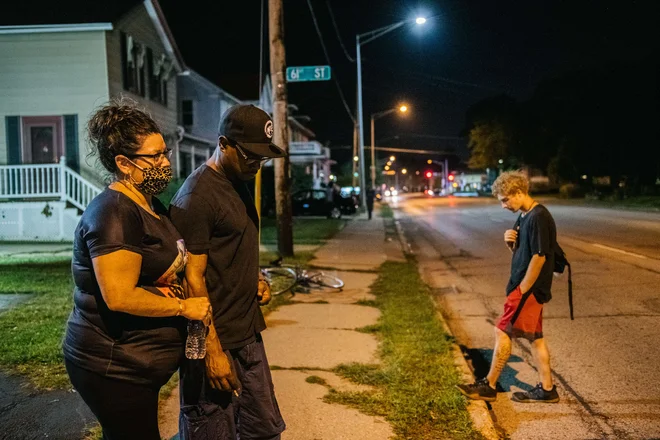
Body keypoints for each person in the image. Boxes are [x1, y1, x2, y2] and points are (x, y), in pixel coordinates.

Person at [62, 101, 212, 440]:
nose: (166, 163)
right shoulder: (114, 214)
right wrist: (182, 306)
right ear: (124, 163)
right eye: (155, 156)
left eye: (165, 152)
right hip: (112, 366)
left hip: (138, 365)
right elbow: (119, 296)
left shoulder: (147, 203)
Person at [169, 104, 287, 439]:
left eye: (262, 157)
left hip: (247, 336)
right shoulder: (196, 198)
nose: (256, 164)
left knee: (264, 431)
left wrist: (257, 278)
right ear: (223, 144)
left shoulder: (238, 180)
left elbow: (235, 245)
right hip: (214, 342)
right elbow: (191, 280)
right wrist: (212, 353)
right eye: (250, 155)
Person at [457, 171, 560, 403]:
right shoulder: (524, 216)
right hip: (527, 288)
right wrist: (510, 244)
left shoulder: (538, 216)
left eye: (505, 199)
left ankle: (489, 385)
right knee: (536, 338)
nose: (503, 205)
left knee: (502, 330)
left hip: (529, 290)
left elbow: (540, 257)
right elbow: (524, 254)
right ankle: (547, 389)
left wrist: (522, 290)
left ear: (519, 192)